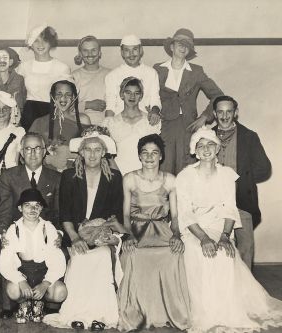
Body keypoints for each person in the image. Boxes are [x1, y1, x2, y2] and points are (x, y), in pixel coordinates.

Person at [176, 127, 282, 333]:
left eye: (210, 145)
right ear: (195, 151)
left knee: (224, 254)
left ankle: (226, 310)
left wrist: (225, 236)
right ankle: (206, 311)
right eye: (201, 146)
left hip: (219, 227)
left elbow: (229, 208)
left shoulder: (226, 175)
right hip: (194, 229)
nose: (206, 149)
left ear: (217, 149)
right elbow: (186, 214)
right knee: (199, 253)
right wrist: (204, 238)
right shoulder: (185, 176)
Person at [43, 126, 125, 331]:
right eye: (88, 149)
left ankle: (101, 315)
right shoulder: (69, 176)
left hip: (103, 236)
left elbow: (116, 214)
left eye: (98, 150)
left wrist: (109, 235)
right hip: (76, 235)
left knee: (103, 257)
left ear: (104, 152)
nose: (92, 154)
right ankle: (76, 314)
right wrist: (75, 237)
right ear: (80, 152)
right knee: (79, 257)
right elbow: (66, 213)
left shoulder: (114, 178)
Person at [118, 134, 190, 331]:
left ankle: (169, 312)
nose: (149, 157)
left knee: (173, 254)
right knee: (134, 254)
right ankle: (138, 314)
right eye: (145, 153)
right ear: (139, 156)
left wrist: (176, 235)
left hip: (162, 229)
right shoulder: (129, 179)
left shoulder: (170, 180)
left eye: (154, 153)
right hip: (136, 230)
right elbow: (124, 215)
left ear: (161, 156)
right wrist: (128, 236)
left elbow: (175, 217)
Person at [0, 131, 61, 319]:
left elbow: (57, 211)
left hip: (44, 234)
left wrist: (59, 234)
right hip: (17, 233)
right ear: (21, 153)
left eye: (37, 148)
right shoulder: (9, 176)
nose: (33, 153)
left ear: (45, 151)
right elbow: (4, 210)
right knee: (6, 250)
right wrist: (2, 235)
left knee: (56, 251)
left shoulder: (56, 177)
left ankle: (48, 301)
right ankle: (10, 305)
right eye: (28, 149)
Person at [212, 95, 271, 269]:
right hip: (213, 202)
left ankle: (246, 291)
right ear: (214, 114)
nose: (224, 116)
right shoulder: (206, 136)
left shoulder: (249, 137)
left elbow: (264, 168)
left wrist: (241, 180)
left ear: (235, 113)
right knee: (217, 249)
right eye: (220, 112)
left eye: (229, 111)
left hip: (242, 203)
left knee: (245, 248)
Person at [154, 28, 223, 175]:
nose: (183, 47)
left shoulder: (196, 71)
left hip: (188, 126)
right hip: (163, 125)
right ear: (171, 47)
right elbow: (148, 95)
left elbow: (218, 96)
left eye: (187, 45)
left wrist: (205, 117)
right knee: (163, 168)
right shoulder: (157, 69)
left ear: (189, 50)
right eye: (180, 43)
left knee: (186, 169)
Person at [0, 188, 67, 324]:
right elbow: (5, 262)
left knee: (60, 292)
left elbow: (58, 260)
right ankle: (24, 303)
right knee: (12, 290)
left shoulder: (48, 228)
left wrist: (45, 283)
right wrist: (20, 281)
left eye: (37, 206)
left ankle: (40, 303)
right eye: (27, 205)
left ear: (41, 209)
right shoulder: (14, 229)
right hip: (24, 274)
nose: (32, 209)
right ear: (20, 208)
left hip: (43, 273)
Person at [102, 77, 160, 175]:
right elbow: (107, 155)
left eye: (136, 93)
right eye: (128, 92)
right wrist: (118, 176)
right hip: (117, 172)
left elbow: (155, 152)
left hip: (145, 173)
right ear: (121, 95)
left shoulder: (150, 121)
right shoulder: (110, 122)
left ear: (141, 96)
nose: (132, 96)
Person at [17, 24, 71, 131]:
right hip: (29, 113)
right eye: (36, 40)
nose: (40, 44)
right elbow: (18, 94)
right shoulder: (23, 67)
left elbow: (67, 97)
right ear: (31, 44)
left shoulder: (62, 67)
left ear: (51, 43)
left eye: (44, 40)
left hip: (53, 112)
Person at [30, 79, 91, 172]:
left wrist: (70, 153)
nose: (63, 98)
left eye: (68, 94)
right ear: (52, 96)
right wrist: (47, 160)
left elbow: (90, 150)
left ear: (74, 97)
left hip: (75, 172)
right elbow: (28, 153)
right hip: (47, 174)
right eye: (59, 94)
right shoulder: (39, 122)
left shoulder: (83, 120)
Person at [105, 34, 161, 124]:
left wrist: (155, 112)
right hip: (120, 123)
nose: (131, 54)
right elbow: (110, 106)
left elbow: (155, 99)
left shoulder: (151, 73)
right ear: (122, 53)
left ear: (141, 50)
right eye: (127, 50)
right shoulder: (112, 76)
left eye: (135, 49)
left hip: (145, 122)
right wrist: (108, 125)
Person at [72, 35, 111, 125]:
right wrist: (88, 105)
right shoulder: (74, 76)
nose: (90, 54)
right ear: (80, 54)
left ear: (100, 53)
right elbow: (66, 107)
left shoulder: (110, 74)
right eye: (85, 50)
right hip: (80, 124)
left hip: (106, 124)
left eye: (93, 50)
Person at [0, 46, 26, 112]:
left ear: (10, 62)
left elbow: (23, 103)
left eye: (5, 58)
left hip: (16, 118)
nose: (2, 61)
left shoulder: (19, 79)